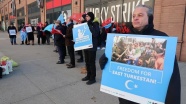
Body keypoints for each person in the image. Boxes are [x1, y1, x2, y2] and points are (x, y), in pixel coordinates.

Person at [99, 5, 181, 104]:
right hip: (127, 96)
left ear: (149, 18)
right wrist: (105, 62)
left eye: (140, 15)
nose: (135, 18)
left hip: (150, 96)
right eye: (133, 16)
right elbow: (115, 67)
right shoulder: (125, 37)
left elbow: (172, 77)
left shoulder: (162, 38)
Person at [81, 12, 100, 85]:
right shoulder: (86, 23)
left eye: (88, 16)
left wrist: (89, 25)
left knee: (91, 62)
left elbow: (95, 34)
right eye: (86, 16)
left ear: (91, 16)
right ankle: (88, 75)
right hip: (86, 45)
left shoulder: (95, 24)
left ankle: (93, 78)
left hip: (92, 46)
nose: (86, 17)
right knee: (87, 61)